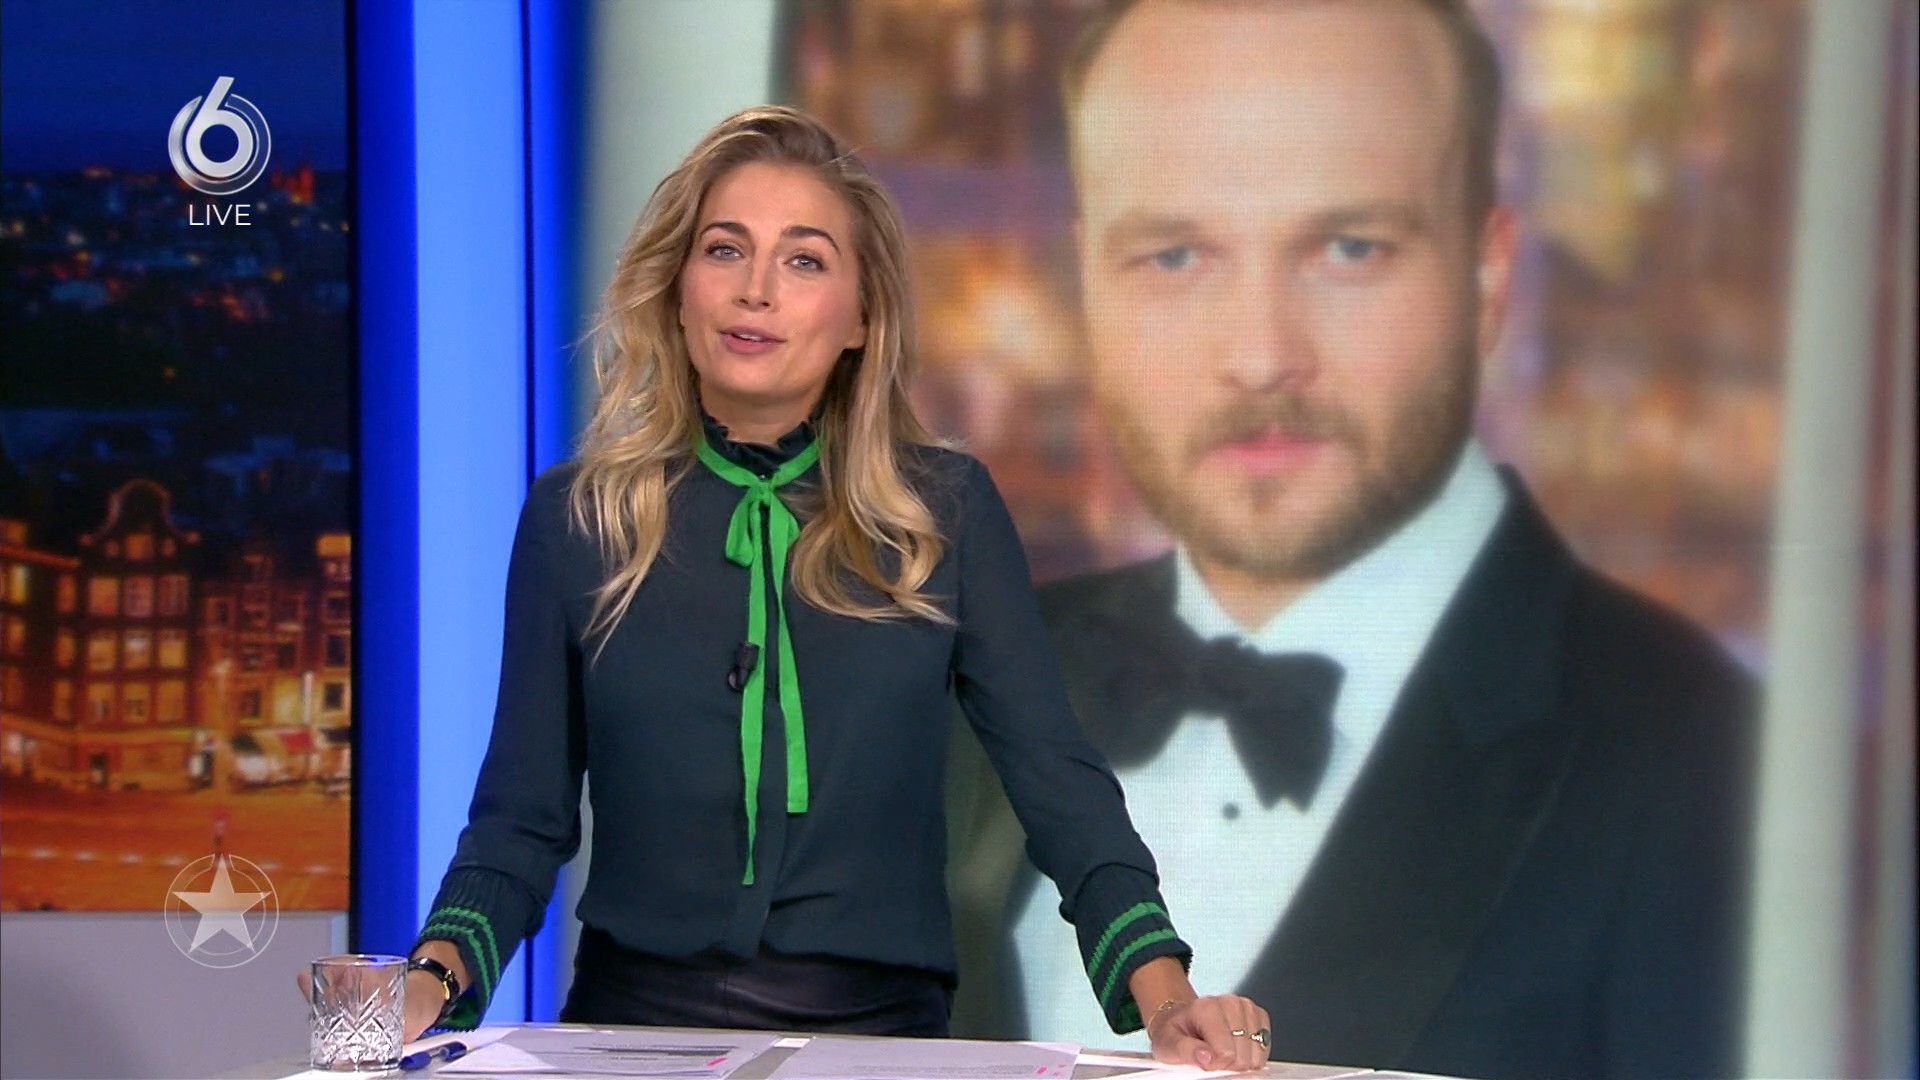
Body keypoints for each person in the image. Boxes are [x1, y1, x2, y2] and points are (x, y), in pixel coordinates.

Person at [325, 105, 1271, 1071]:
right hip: (630, 1037)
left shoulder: (943, 512)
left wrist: (1166, 999)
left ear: (861, 317)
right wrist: (430, 980)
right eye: (725, 249)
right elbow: (519, 822)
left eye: (805, 260)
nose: (757, 290)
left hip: (882, 1042)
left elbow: (1057, 783)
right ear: (677, 288)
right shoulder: (578, 517)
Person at [943, 3, 1759, 1078]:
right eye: (1175, 254)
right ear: (1088, 275)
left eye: (1348, 247)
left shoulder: (1702, 756)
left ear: (1488, 275)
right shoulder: (972, 669)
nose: (1260, 355)